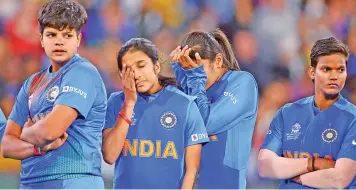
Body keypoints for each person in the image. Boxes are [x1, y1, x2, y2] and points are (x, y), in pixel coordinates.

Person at [0, 0, 107, 189]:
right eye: (51, 34)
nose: (59, 41)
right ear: (41, 39)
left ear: (78, 39)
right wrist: (36, 148)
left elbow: (50, 131)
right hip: (30, 183)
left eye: (67, 35)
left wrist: (24, 133)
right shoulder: (32, 82)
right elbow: (7, 145)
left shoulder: (82, 72)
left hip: (73, 180)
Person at [102, 38, 209, 189]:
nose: (136, 74)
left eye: (141, 66)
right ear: (121, 74)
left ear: (156, 66)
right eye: (128, 69)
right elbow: (109, 156)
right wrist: (129, 103)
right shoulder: (115, 102)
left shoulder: (185, 104)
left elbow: (192, 171)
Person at [258, 37, 356, 189]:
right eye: (326, 69)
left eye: (340, 69)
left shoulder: (352, 119)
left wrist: (296, 176)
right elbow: (265, 165)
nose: (334, 76)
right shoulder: (287, 113)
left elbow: (339, 179)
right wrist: (314, 164)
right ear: (312, 72)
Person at [169, 28, 259, 189]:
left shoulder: (242, 82)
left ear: (218, 61)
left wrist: (195, 79)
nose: (194, 74)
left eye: (198, 68)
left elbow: (202, 127)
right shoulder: (192, 84)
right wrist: (183, 79)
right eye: (187, 68)